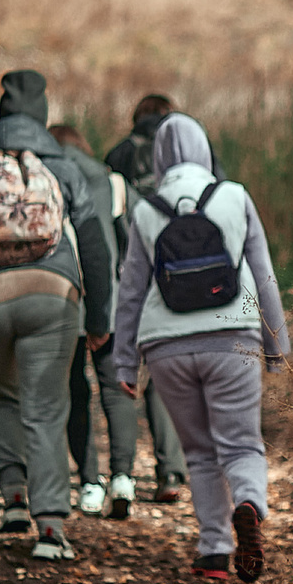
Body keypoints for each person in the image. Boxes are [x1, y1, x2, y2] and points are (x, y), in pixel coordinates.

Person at [0, 69, 115, 560]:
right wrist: (99, 320)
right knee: (45, 406)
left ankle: (12, 494)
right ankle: (51, 525)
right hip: (50, 295)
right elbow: (96, 246)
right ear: (43, 114)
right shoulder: (62, 166)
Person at [111, 113, 290, 583]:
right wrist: (276, 343)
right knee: (241, 442)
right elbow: (263, 273)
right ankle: (249, 503)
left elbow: (130, 290)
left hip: (165, 346)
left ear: (159, 157)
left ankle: (213, 549)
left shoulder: (146, 209)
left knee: (199, 451)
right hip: (232, 336)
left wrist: (125, 362)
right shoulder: (234, 196)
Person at [102, 92, 189, 503]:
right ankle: (170, 472)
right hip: (182, 276)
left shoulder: (117, 154)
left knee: (123, 373)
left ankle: (122, 474)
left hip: (131, 276)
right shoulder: (189, 155)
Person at [51, 122, 140, 519]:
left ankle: (89, 481)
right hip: (113, 300)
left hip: (64, 300)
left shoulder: (46, 178)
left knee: (74, 392)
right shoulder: (113, 182)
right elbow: (131, 245)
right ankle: (123, 477)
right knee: (116, 389)